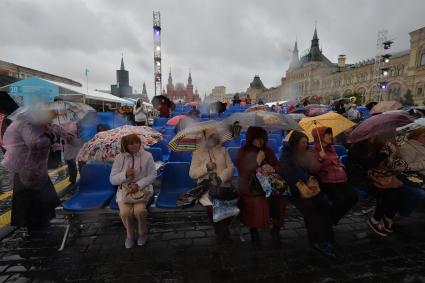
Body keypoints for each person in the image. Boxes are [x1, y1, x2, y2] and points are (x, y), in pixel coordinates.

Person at [1, 108, 61, 234]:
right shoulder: (26, 125)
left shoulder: (36, 125)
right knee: (31, 201)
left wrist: (49, 132)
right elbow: (34, 143)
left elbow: (50, 139)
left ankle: (42, 223)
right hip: (26, 170)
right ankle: (34, 228)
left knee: (41, 199)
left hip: (38, 169)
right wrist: (46, 133)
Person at [278, 131, 337, 258]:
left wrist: (313, 174)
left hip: (310, 187)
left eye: (306, 142)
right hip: (295, 189)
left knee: (324, 205)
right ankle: (316, 241)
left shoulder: (307, 153)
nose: (305, 145)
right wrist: (306, 178)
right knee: (310, 210)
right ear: (295, 143)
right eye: (303, 143)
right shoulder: (286, 155)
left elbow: (312, 169)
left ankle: (328, 238)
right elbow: (288, 173)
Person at [237, 126, 287, 248]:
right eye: (257, 138)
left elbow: (278, 165)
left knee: (281, 197)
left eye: (263, 138)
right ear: (251, 139)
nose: (260, 141)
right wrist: (257, 162)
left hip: (269, 183)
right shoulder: (243, 151)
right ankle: (254, 230)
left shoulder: (268, 150)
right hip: (251, 185)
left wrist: (272, 168)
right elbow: (244, 172)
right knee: (257, 201)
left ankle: (275, 229)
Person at [110, 134, 156, 248]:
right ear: (125, 145)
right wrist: (125, 174)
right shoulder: (119, 158)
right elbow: (112, 180)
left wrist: (138, 184)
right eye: (131, 143)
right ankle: (130, 235)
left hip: (142, 189)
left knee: (139, 211)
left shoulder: (147, 156)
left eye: (137, 142)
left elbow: (152, 175)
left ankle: (142, 233)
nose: (135, 145)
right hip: (125, 191)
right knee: (125, 212)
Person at [189, 131, 235, 243]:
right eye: (210, 138)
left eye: (214, 137)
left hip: (223, 185)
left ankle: (222, 228)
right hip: (206, 187)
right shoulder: (197, 153)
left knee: (230, 205)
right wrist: (206, 168)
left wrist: (220, 178)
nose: (212, 140)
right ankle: (221, 230)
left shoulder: (223, 150)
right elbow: (192, 174)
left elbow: (231, 168)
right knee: (212, 207)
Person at [309, 127, 358, 225]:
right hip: (326, 180)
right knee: (340, 200)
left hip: (340, 178)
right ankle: (329, 221)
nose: (331, 136)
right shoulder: (314, 151)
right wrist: (320, 159)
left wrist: (340, 165)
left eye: (330, 134)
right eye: (327, 134)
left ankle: (331, 219)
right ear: (320, 137)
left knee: (353, 197)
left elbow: (337, 161)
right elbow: (313, 169)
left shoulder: (332, 149)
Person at [364, 133, 406, 237]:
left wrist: (395, 154)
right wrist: (390, 154)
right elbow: (373, 164)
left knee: (400, 192)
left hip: (386, 176)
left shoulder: (391, 145)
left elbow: (399, 163)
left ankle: (388, 217)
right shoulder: (371, 146)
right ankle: (375, 220)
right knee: (388, 194)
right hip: (372, 176)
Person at [397, 127, 425, 216]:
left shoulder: (422, 146)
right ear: (416, 136)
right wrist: (423, 164)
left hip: (420, 177)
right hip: (413, 178)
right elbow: (405, 167)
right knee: (420, 194)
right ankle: (402, 214)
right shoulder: (408, 147)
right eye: (424, 136)